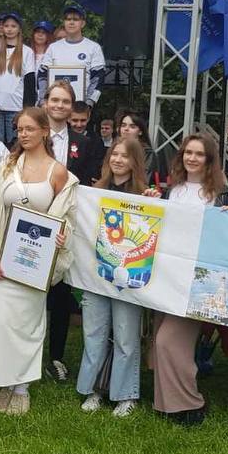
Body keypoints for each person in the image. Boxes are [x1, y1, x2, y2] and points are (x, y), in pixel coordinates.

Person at [0, 106, 77, 416]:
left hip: (35, 262)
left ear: (44, 131)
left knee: (27, 325)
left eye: (29, 129)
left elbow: (67, 216)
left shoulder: (58, 172)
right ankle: (6, 380)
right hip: (3, 259)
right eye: (20, 129)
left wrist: (62, 236)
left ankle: (20, 388)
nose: (23, 134)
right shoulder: (5, 167)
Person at [151, 134, 228, 425]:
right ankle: (167, 404)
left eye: (199, 154)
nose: (192, 158)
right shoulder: (172, 191)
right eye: (188, 152)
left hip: (199, 280)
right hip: (167, 275)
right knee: (162, 340)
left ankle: (191, 403)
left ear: (209, 159)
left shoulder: (224, 194)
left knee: (169, 340)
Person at [78, 138, 146, 417]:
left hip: (129, 277)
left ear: (135, 161)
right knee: (93, 334)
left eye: (125, 156)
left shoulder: (145, 197)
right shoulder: (93, 193)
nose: (118, 160)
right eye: (114, 154)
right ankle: (92, 390)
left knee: (125, 337)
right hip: (96, 276)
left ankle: (125, 395)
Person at [43, 81, 104, 381]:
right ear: (45, 103)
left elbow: (90, 186)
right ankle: (27, 355)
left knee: (61, 292)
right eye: (55, 100)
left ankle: (55, 356)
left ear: (72, 107)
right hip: (35, 221)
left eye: (65, 101)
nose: (59, 106)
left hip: (69, 224)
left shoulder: (86, 143)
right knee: (30, 293)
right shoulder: (32, 136)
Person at [37, 4, 106, 106]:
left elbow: (98, 78)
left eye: (76, 19)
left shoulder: (93, 48)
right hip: (56, 105)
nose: (71, 22)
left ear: (83, 23)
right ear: (64, 22)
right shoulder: (53, 47)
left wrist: (89, 103)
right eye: (68, 19)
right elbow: (42, 76)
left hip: (80, 107)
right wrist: (43, 101)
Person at [0, 12, 36, 144]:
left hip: (16, 108)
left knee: (16, 146)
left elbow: (30, 82)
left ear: (19, 29)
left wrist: (27, 109)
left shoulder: (27, 52)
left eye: (13, 26)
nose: (9, 29)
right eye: (6, 26)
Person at [118, 112, 168, 187]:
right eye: (123, 125)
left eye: (132, 126)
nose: (126, 129)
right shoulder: (115, 149)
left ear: (140, 132)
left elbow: (145, 180)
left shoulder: (147, 153)